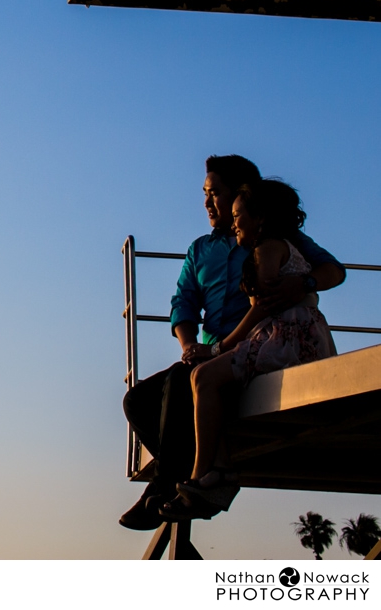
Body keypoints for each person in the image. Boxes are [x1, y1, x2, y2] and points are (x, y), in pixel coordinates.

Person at [118, 156, 345, 530]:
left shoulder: (269, 236)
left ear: (242, 197)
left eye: (215, 193)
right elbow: (183, 303)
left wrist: (302, 284)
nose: (207, 202)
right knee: (137, 400)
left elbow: (333, 270)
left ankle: (169, 485)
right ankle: (180, 477)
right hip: (208, 351)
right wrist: (190, 344)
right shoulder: (200, 250)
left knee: (181, 386)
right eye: (205, 194)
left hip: (251, 345)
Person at [162, 179, 337, 518]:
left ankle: (202, 475)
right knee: (195, 382)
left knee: (204, 379)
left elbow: (264, 307)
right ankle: (218, 467)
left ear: (260, 217)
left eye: (240, 214)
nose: (234, 221)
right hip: (289, 332)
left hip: (284, 336)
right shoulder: (270, 246)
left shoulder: (266, 250)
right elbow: (184, 302)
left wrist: (219, 349)